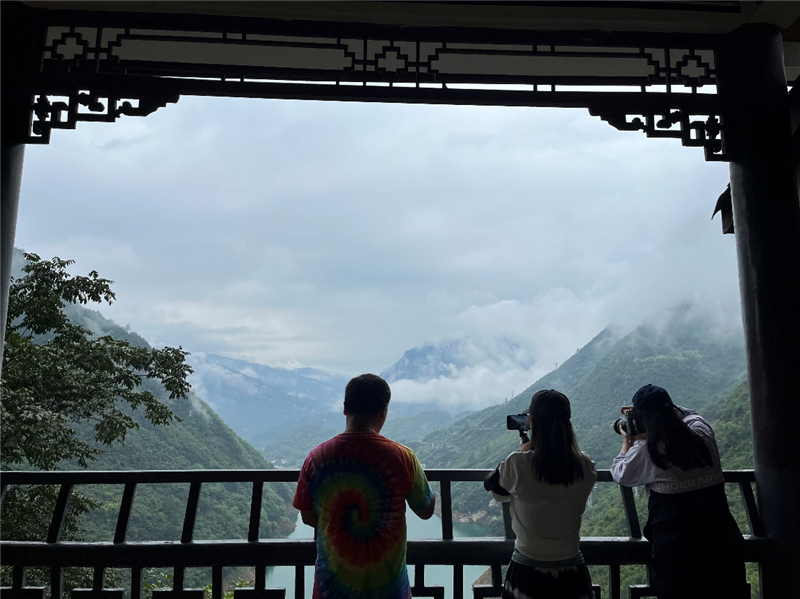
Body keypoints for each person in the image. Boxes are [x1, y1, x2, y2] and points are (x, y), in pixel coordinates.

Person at [292, 373, 436, 599]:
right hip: (389, 591)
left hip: (331, 590)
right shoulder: (403, 457)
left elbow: (308, 517)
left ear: (345, 408)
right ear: (383, 412)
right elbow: (426, 510)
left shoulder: (316, 458)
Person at [610, 384, 748, 599]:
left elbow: (621, 473)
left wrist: (628, 438)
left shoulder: (649, 450)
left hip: (677, 555)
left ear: (644, 418)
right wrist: (658, 408)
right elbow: (692, 415)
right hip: (722, 544)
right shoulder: (702, 432)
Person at [484, 389, 597, 599]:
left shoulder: (518, 464)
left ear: (532, 423)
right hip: (573, 572)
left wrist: (522, 452)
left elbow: (499, 493)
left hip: (527, 570)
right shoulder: (586, 466)